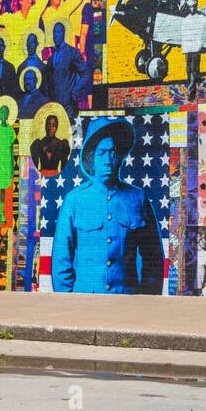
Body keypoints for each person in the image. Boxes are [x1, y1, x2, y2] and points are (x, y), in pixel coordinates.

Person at [52, 116, 163, 294]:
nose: (107, 160)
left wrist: (147, 302)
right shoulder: (74, 200)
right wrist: (68, 304)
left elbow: (153, 257)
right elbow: (61, 260)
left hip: (127, 303)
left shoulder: (138, 198)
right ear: (92, 158)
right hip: (85, 303)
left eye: (113, 153)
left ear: (119, 157)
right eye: (101, 153)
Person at [43, 21, 92, 119]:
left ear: (63, 33)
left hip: (69, 107)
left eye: (58, 32)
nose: (55, 35)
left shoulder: (72, 52)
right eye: (54, 32)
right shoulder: (52, 57)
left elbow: (86, 74)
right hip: (54, 107)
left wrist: (75, 92)